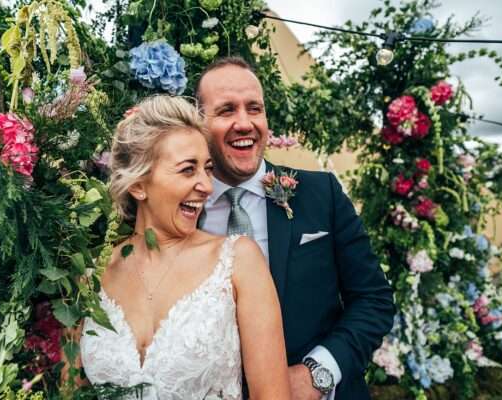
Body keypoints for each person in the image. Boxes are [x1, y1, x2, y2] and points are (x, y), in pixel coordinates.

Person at [196, 57, 396, 400]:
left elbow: (374, 300)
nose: (244, 123)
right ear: (199, 124)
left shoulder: (322, 194)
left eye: (254, 108)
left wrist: (317, 374)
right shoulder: (182, 208)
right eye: (227, 110)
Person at [77, 95, 291, 399]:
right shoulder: (92, 274)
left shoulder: (238, 261)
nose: (206, 186)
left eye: (207, 168)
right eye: (188, 170)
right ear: (138, 185)